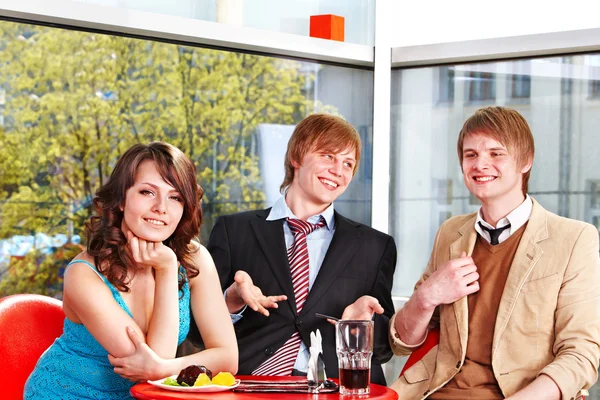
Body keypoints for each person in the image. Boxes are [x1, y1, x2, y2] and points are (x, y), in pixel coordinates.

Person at [389, 106, 600, 400]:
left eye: (496, 153)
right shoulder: (451, 233)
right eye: (471, 154)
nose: (480, 164)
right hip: (434, 393)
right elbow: (403, 344)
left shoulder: (574, 238)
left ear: (525, 161)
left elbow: (581, 354)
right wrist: (426, 298)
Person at [188, 113, 396, 384]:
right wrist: (232, 300)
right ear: (296, 157)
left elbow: (383, 349)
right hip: (250, 383)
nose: (338, 170)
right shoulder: (233, 231)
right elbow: (195, 333)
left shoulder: (374, 246)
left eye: (348, 163)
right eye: (328, 156)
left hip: (338, 387)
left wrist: (358, 328)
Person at [24, 142, 237, 400]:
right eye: (147, 192)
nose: (161, 207)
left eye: (175, 197)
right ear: (122, 200)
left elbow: (227, 357)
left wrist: (163, 368)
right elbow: (150, 370)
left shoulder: (194, 259)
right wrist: (168, 270)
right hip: (67, 393)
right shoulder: (84, 274)